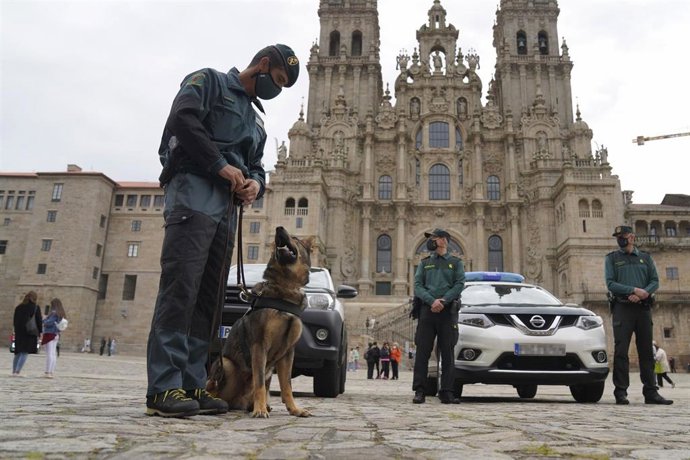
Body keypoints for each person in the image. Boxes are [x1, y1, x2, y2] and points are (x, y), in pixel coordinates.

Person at [145, 44, 300, 418]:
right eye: (276, 80)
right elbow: (183, 118)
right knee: (181, 289)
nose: (274, 90)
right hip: (193, 196)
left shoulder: (257, 122)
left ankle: (192, 383)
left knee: (208, 300)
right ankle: (164, 387)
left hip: (225, 213)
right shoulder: (209, 82)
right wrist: (219, 165)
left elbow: (258, 167)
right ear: (263, 65)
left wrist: (255, 186)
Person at [605, 225, 672, 405]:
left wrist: (644, 293)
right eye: (618, 236)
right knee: (621, 352)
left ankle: (651, 392)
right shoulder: (612, 259)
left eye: (623, 236)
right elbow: (611, 283)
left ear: (632, 237)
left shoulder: (645, 258)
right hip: (622, 308)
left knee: (646, 352)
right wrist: (633, 290)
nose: (620, 239)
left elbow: (655, 281)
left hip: (643, 308)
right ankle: (620, 392)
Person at [412, 228, 465, 404]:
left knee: (448, 353)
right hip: (428, 311)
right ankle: (420, 390)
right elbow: (418, 285)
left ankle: (447, 392)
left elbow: (459, 284)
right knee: (422, 352)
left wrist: (444, 300)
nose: (431, 241)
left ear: (443, 240)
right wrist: (431, 301)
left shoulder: (456, 263)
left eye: (434, 238)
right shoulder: (424, 263)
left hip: (447, 311)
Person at [12, 291, 42, 376]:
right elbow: (39, 321)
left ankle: (14, 371)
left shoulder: (19, 307)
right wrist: (40, 332)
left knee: (18, 352)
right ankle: (18, 371)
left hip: (19, 332)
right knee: (24, 352)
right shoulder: (35, 307)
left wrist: (16, 330)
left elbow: (14, 320)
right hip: (30, 332)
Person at [41, 298, 67, 378]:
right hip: (56, 334)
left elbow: (49, 322)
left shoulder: (54, 313)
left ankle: (47, 372)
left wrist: (44, 320)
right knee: (53, 354)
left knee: (49, 354)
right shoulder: (61, 313)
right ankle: (51, 371)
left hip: (50, 333)